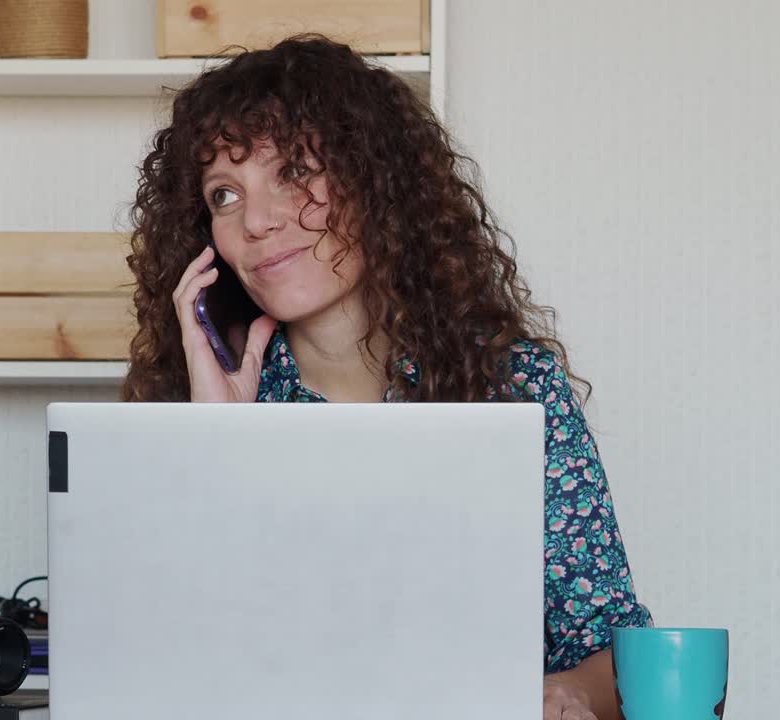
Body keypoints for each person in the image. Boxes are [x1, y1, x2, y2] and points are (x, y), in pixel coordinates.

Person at [119, 35, 652, 720]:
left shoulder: (513, 385)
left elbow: (619, 651)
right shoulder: (197, 407)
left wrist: (569, 693)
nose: (256, 220)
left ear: (376, 183)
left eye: (295, 171)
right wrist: (215, 441)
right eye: (224, 195)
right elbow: (154, 669)